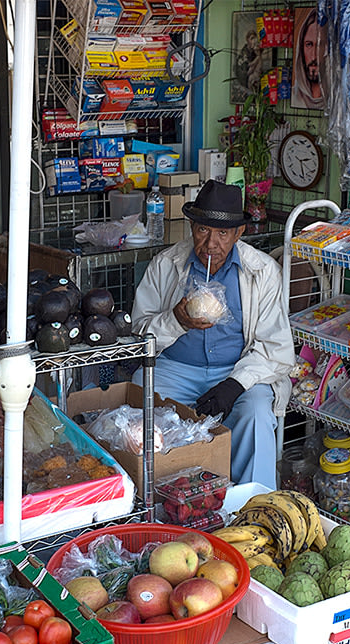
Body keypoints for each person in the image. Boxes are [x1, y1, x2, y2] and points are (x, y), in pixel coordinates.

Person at [130, 181, 294, 489]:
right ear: (191, 227)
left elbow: (276, 348)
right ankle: (156, 500)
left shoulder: (262, 271)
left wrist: (235, 384)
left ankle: (253, 506)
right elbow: (139, 333)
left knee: (257, 411)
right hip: (174, 370)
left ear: (238, 233)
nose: (211, 244)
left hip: (239, 370)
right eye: (203, 230)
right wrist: (175, 321)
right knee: (140, 396)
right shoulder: (167, 264)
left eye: (222, 234)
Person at [292, 10, 325, 109]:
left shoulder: (337, 98)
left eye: (319, 45)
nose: (314, 56)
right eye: (309, 45)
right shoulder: (294, 97)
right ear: (301, 49)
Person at [234, 29, 263, 103]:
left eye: (254, 39)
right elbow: (244, 67)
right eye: (251, 38)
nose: (253, 41)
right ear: (247, 39)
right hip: (245, 77)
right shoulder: (244, 52)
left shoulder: (255, 51)